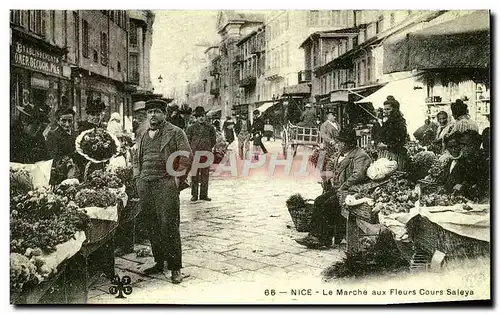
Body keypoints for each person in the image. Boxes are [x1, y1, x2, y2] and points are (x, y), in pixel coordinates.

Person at [132, 99, 192, 284]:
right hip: (146, 184)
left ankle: (175, 268)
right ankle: (159, 262)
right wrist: (137, 177)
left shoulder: (175, 132)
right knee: (152, 224)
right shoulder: (142, 134)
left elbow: (186, 156)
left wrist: (176, 178)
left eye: (157, 111)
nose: (153, 115)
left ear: (164, 114)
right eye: (150, 112)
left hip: (166, 183)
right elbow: (135, 157)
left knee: (169, 225)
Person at [295, 127, 372, 249]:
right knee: (319, 200)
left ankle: (322, 239)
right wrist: (330, 177)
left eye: (341, 141)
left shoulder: (360, 155)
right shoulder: (341, 153)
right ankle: (314, 236)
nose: (338, 144)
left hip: (351, 191)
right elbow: (330, 164)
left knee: (328, 204)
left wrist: (343, 186)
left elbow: (358, 175)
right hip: (338, 189)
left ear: (349, 143)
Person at [442, 130, 489, 201]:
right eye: (461, 145)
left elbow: (482, 189)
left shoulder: (484, 163)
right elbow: (451, 181)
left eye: (466, 145)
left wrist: (464, 187)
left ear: (476, 145)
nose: (462, 148)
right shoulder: (463, 161)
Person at [185, 106, 217, 202]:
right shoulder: (191, 128)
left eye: (202, 116)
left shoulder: (210, 128)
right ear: (196, 118)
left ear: (205, 116)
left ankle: (204, 195)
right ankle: (194, 195)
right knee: (194, 174)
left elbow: (213, 140)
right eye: (198, 116)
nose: (201, 118)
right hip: (195, 154)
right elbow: (188, 141)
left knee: (205, 175)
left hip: (206, 154)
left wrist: (207, 148)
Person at [46, 107, 78, 185]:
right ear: (58, 121)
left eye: (70, 121)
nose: (67, 124)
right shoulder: (53, 135)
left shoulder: (76, 134)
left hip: (76, 172)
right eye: (63, 121)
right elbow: (54, 156)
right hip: (61, 174)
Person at [377, 96, 409, 171]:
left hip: (395, 156)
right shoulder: (387, 122)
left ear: (395, 110)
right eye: (384, 109)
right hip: (385, 155)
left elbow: (400, 143)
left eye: (388, 109)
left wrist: (386, 146)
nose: (385, 111)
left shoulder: (399, 124)